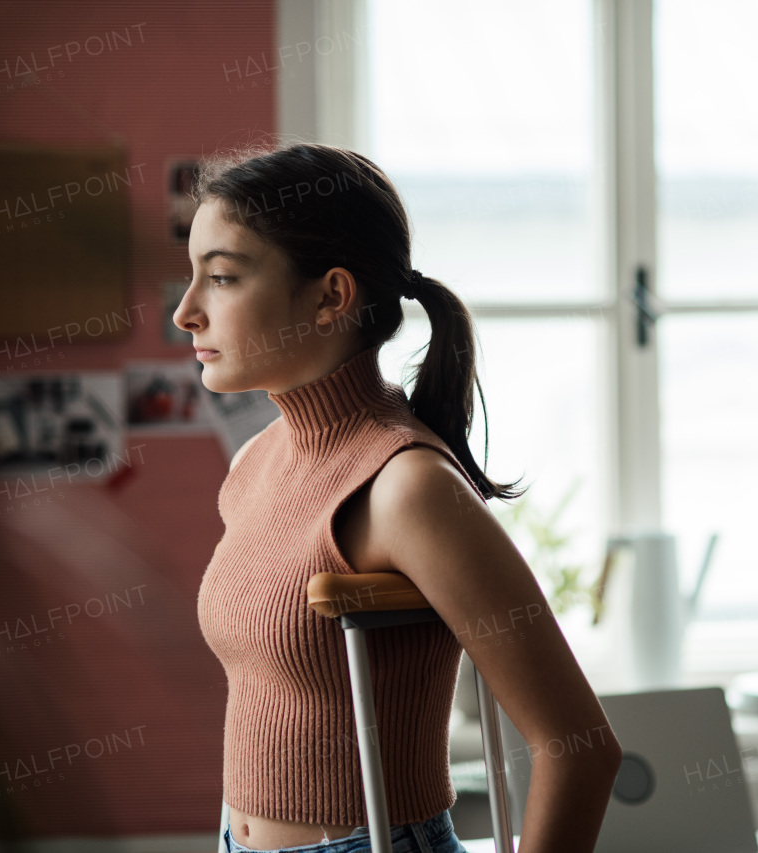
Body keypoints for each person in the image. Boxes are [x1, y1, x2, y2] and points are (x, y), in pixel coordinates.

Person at [173, 142, 622, 853]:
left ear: (331, 296)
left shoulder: (406, 484)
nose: (185, 312)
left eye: (222, 278)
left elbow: (581, 746)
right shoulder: (257, 463)